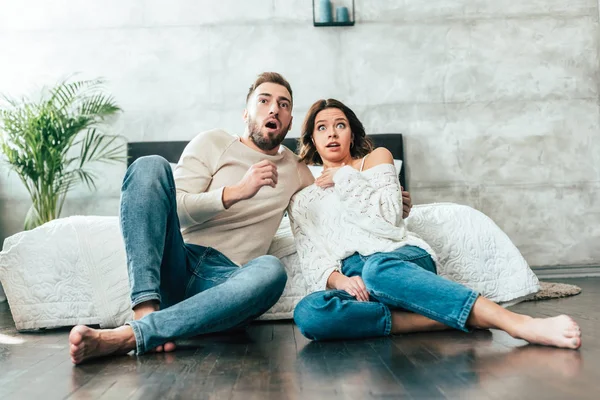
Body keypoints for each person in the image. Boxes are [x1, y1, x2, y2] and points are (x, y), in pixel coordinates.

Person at [289, 98, 582, 349]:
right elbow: (310, 254)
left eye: (340, 125)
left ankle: (517, 324)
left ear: (352, 134)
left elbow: (388, 218)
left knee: (377, 270)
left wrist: (343, 176)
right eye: (322, 127)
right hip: (354, 275)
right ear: (312, 139)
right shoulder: (304, 195)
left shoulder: (377, 158)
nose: (332, 133)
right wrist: (340, 280)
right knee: (310, 313)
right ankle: (434, 319)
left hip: (395, 256)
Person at [69, 72, 314, 364]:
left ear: (288, 121)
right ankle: (145, 311)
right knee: (149, 165)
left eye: (283, 105)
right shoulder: (213, 142)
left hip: (226, 281)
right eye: (264, 100)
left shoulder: (297, 169)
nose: (274, 108)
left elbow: (326, 210)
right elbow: (177, 210)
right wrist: (236, 191)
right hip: (178, 263)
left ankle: (135, 334)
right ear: (246, 112)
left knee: (271, 271)